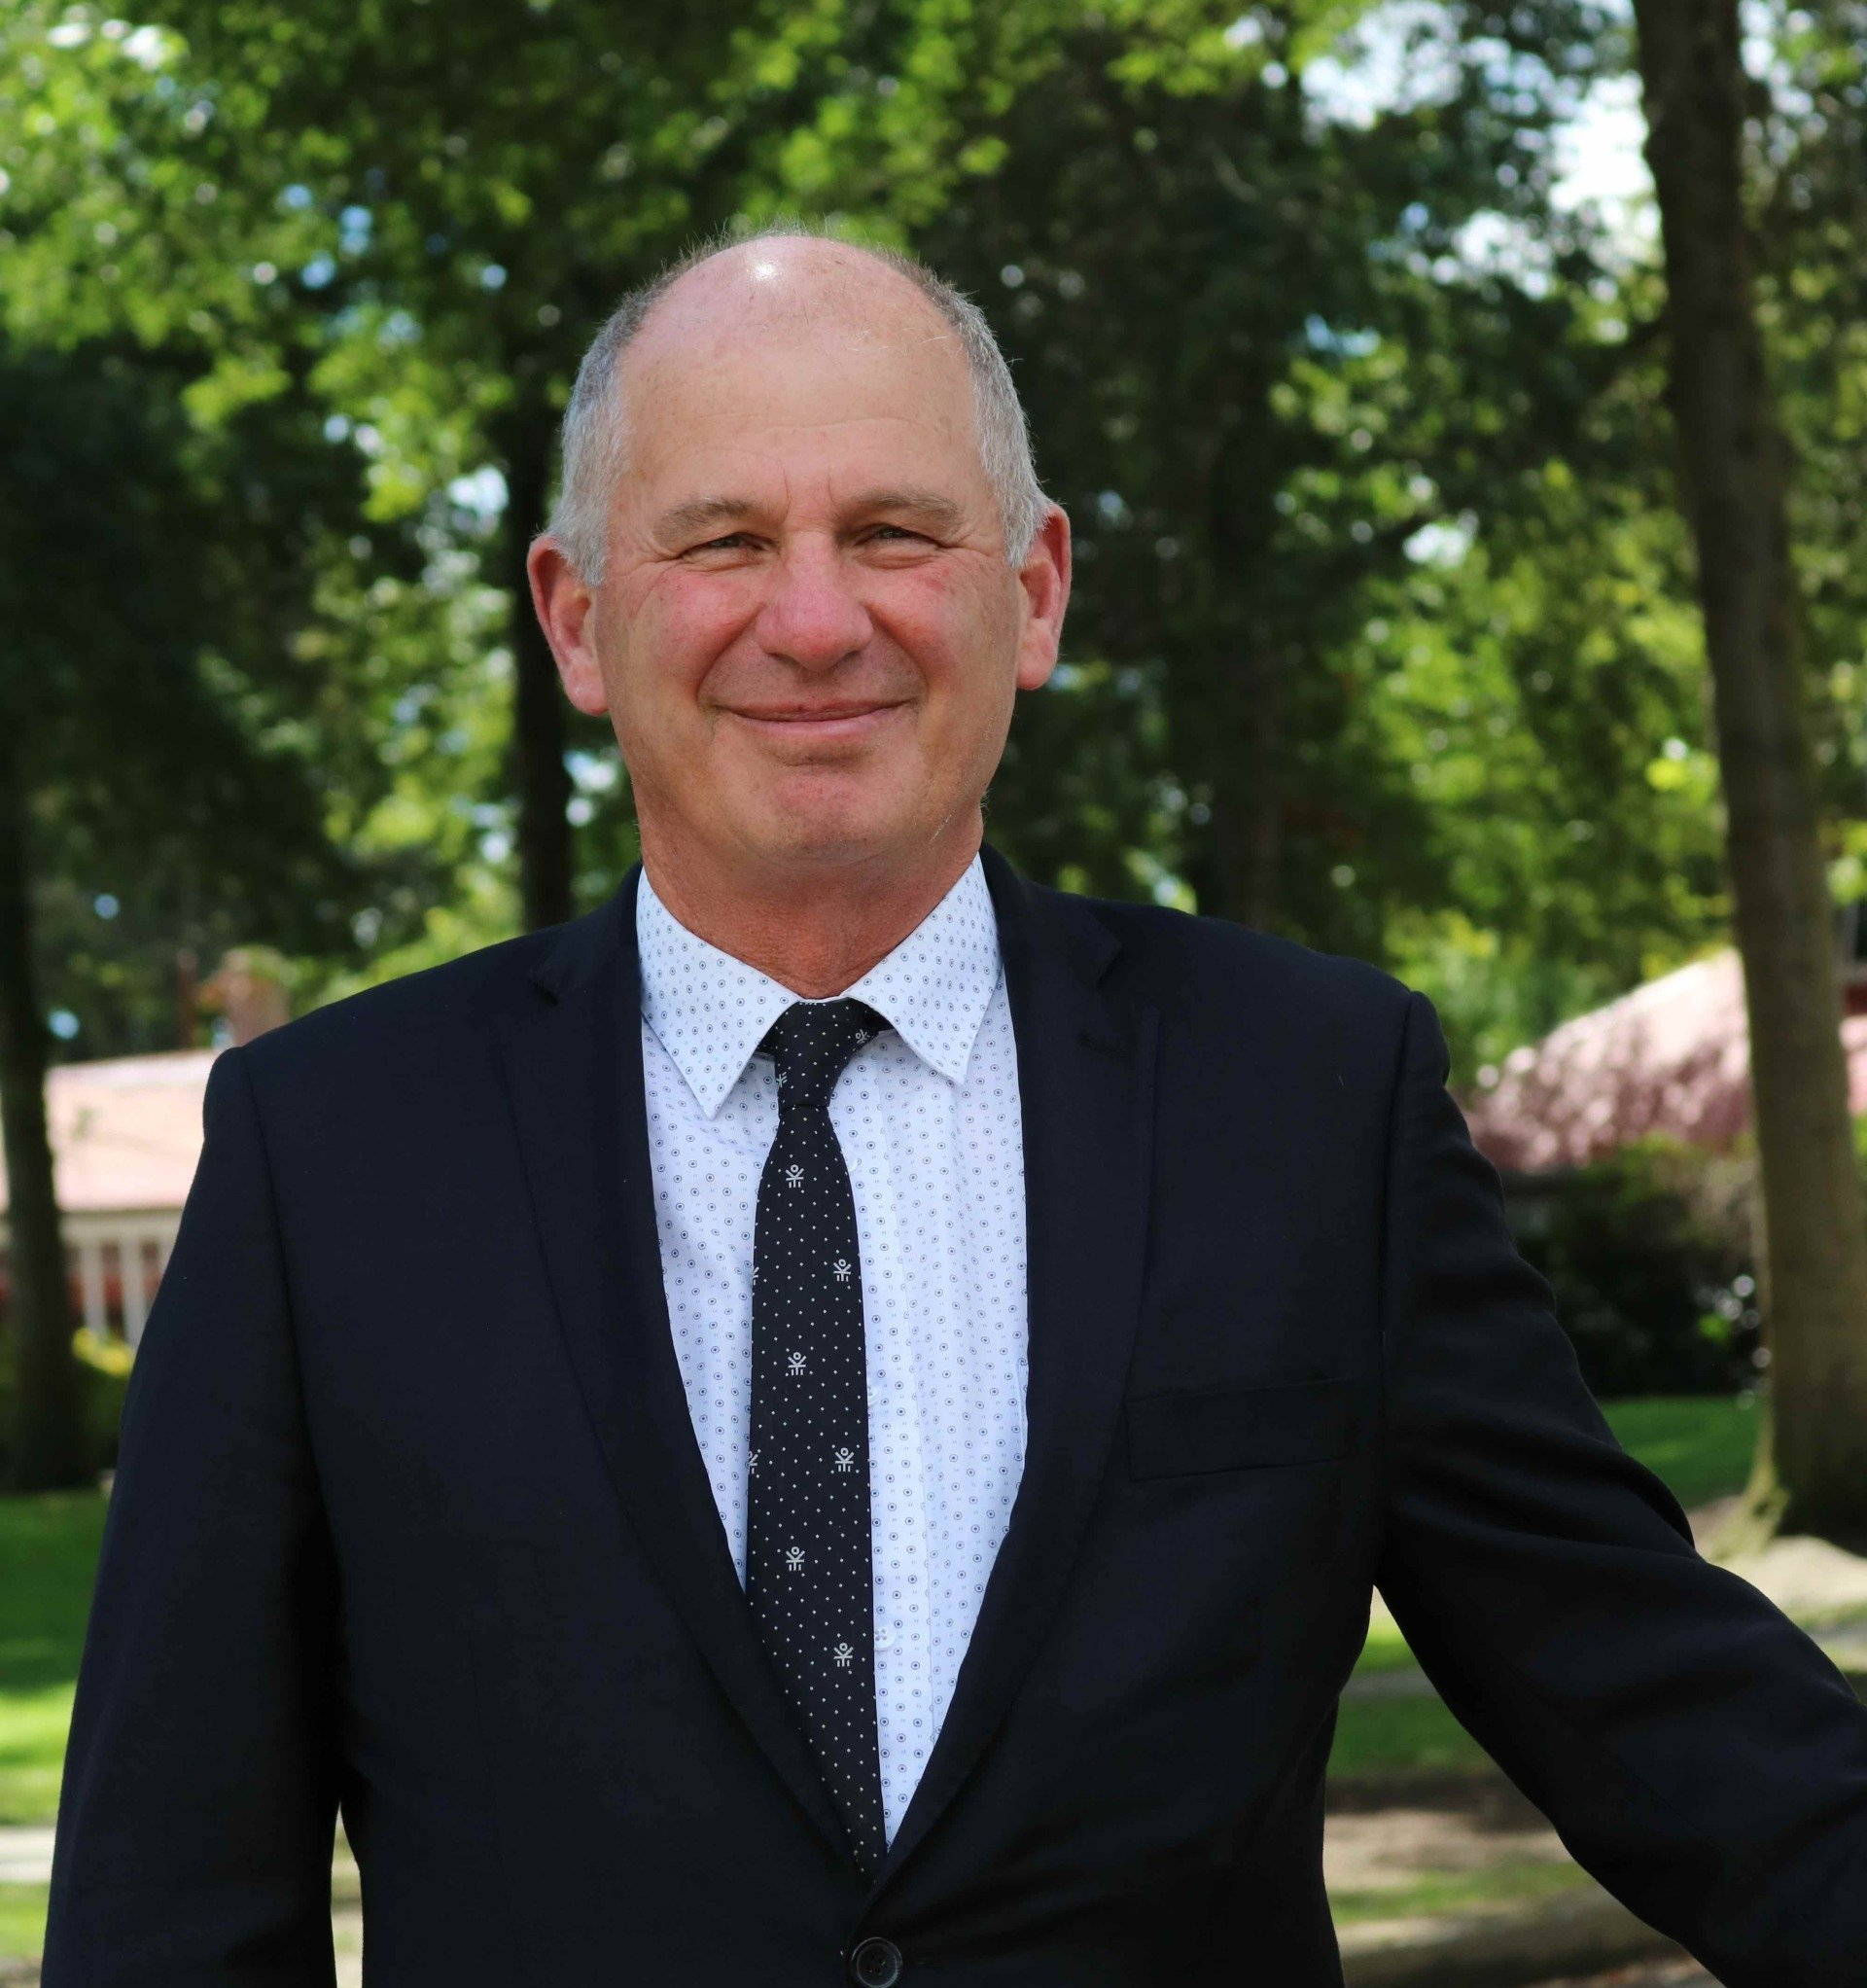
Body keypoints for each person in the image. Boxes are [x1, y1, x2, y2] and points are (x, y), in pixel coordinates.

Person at [43, 221, 1867, 1988]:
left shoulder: (1309, 1102)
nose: (818, 618)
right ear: (578, 620)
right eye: (726, 540)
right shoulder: (328, 1155)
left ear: (1038, 590)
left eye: (896, 532)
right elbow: (169, 1906)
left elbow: (1662, 1705)